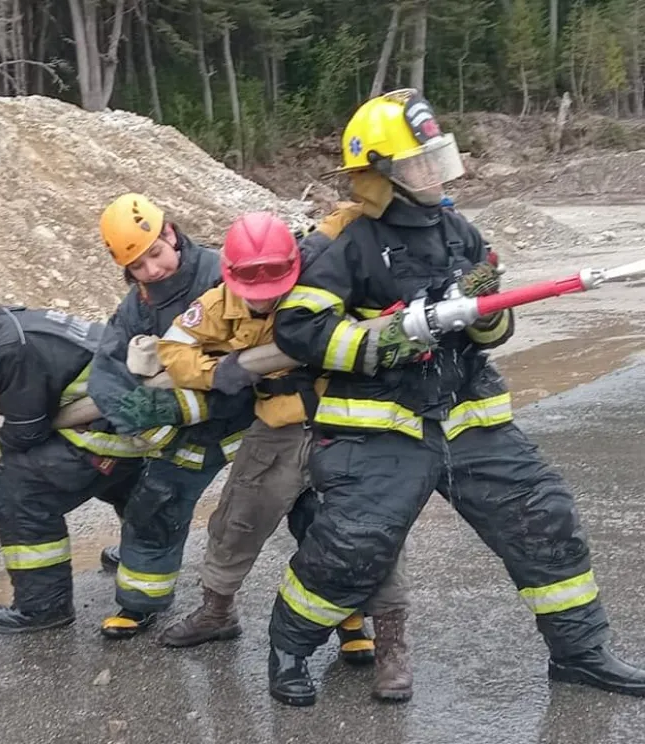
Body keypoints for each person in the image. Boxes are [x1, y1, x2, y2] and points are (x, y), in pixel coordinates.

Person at [265, 87, 645, 707]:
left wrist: (485, 309)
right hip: (383, 429)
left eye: (436, 159)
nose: (434, 174)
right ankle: (288, 650)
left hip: (468, 417)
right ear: (379, 175)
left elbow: (495, 333)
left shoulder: (460, 231)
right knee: (353, 546)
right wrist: (382, 340)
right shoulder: (347, 245)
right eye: (419, 163)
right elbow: (298, 328)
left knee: (543, 518)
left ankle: (581, 653)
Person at [153, 210, 409, 691]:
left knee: (371, 531)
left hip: (346, 425)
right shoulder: (219, 304)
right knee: (236, 521)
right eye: (253, 291)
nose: (265, 298)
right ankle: (217, 612)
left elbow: (357, 212)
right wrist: (217, 373)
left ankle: (390, 645)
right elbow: (173, 347)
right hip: (278, 428)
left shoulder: (323, 282)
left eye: (274, 287)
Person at [0, 300, 168, 634]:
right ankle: (142, 556)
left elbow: (27, 430)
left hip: (114, 430)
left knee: (19, 488)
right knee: (112, 479)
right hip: (127, 423)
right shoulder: (13, 329)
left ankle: (44, 606)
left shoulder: (12, 350)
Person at [87, 192, 258, 639]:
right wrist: (140, 417)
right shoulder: (138, 305)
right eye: (137, 266)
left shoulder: (222, 273)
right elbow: (105, 372)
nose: (152, 270)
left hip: (256, 420)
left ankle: (349, 617)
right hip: (190, 435)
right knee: (155, 505)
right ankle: (140, 603)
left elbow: (266, 352)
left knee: (306, 504)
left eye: (156, 254)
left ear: (170, 233)